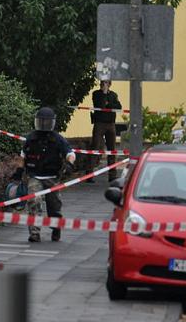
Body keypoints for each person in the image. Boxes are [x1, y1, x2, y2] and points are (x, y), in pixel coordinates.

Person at [12, 107, 75, 242]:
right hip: (35, 176)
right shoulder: (31, 138)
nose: (44, 125)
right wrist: (19, 171)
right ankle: (34, 233)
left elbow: (70, 154)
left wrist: (70, 164)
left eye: (47, 122)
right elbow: (22, 157)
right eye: (42, 122)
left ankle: (56, 227)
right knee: (34, 202)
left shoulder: (58, 139)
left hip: (52, 177)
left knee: (55, 206)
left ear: (52, 123)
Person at [88, 77, 122, 182]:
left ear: (110, 84)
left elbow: (119, 106)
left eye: (106, 83)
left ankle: (112, 175)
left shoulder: (113, 95)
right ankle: (89, 175)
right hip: (99, 123)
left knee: (112, 149)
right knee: (95, 147)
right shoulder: (96, 94)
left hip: (111, 124)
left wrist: (109, 103)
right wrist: (104, 94)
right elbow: (100, 105)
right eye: (103, 83)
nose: (104, 84)